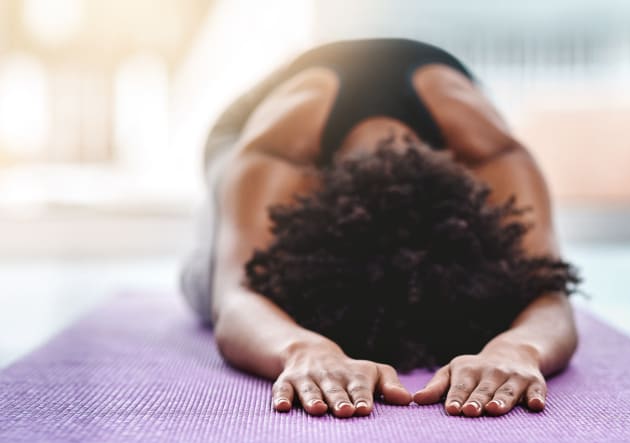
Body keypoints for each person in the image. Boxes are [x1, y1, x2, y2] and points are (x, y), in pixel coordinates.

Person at [180, 38, 580, 419]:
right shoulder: (279, 153)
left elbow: (548, 291)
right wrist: (303, 348)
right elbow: (235, 298)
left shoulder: (493, 155)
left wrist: (518, 348)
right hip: (249, 129)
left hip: (430, 117)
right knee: (209, 278)